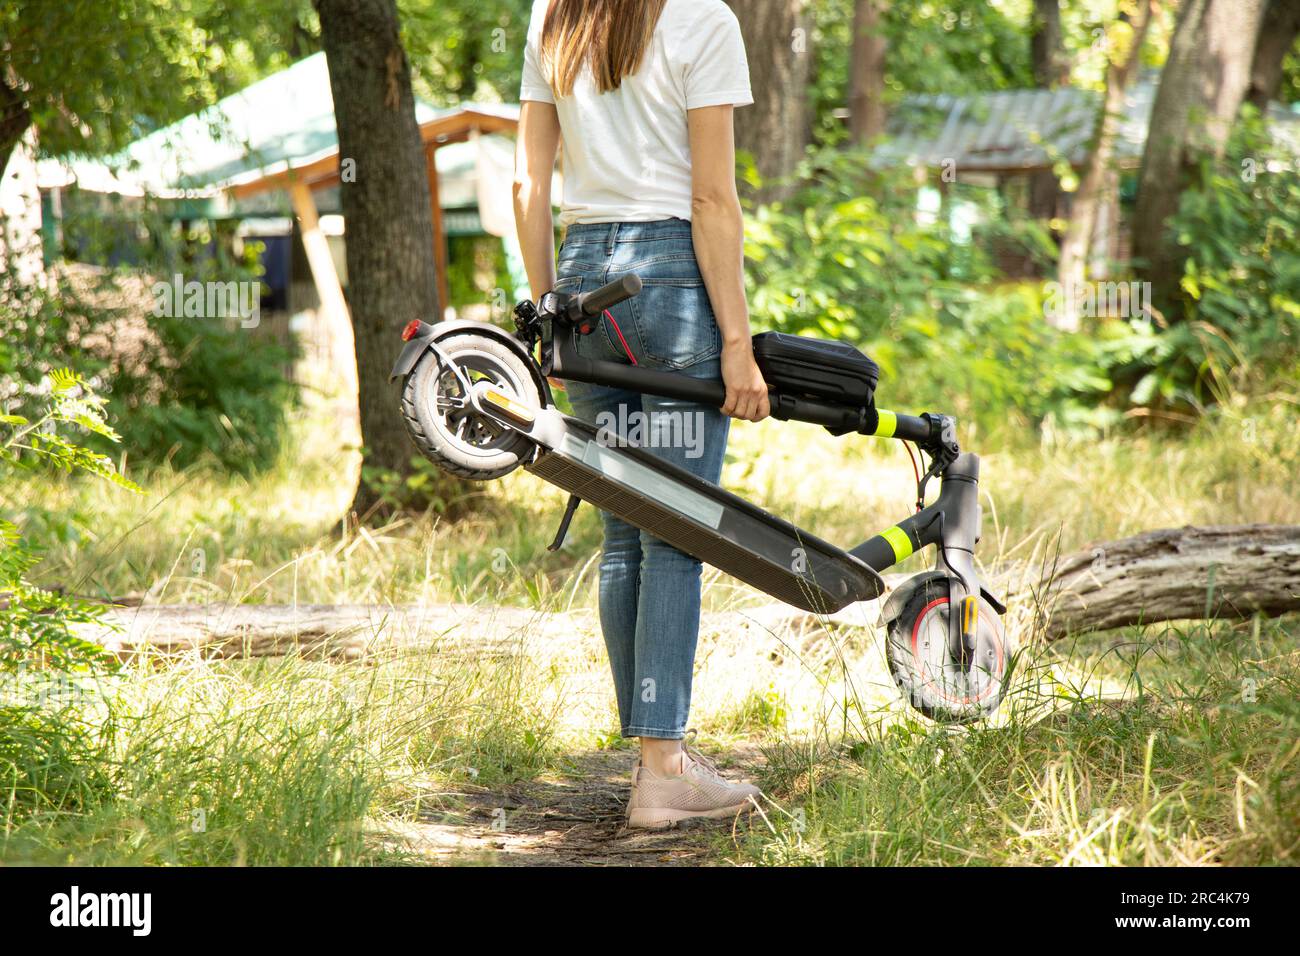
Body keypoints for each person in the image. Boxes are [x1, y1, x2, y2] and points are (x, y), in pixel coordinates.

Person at [512, 0, 770, 829]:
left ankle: (656, 760)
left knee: (626, 533)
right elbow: (713, 201)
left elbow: (529, 182)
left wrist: (547, 307)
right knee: (680, 532)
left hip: (584, 281)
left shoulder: (554, 15)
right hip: (669, 283)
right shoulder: (703, 19)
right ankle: (663, 772)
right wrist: (737, 340)